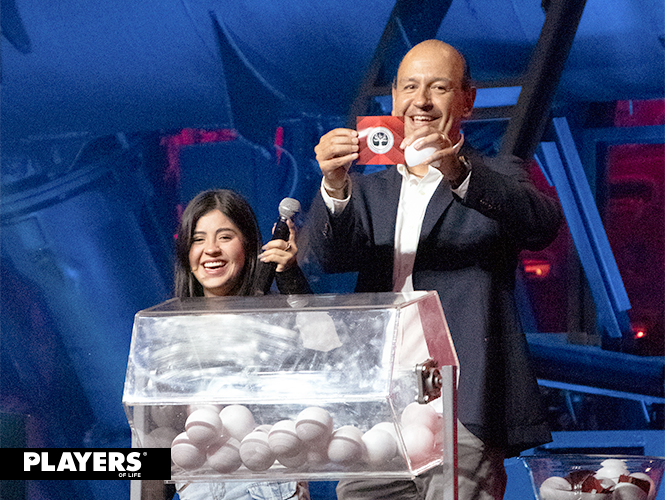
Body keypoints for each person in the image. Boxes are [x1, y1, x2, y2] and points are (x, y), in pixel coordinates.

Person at [304, 39, 563, 500]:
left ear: (467, 100)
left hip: (459, 404)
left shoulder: (496, 175)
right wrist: (334, 185)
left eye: (438, 87)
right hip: (380, 405)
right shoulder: (368, 190)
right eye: (409, 87)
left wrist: (456, 169)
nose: (420, 101)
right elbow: (328, 259)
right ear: (394, 99)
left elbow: (541, 225)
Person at [169, 188, 310, 500]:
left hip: (270, 484)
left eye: (225, 237)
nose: (211, 249)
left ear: (248, 245)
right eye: (198, 239)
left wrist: (291, 277)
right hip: (199, 489)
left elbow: (328, 350)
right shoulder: (168, 330)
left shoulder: (277, 319)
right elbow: (155, 434)